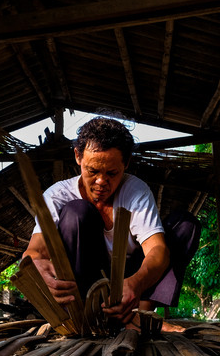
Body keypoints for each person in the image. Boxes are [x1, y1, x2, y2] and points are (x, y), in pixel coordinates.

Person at [22, 117, 201, 330]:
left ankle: (138, 316)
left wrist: (136, 283)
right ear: (78, 156)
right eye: (93, 171)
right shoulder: (56, 196)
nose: (101, 182)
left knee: (185, 226)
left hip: (128, 285)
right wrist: (36, 267)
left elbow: (157, 250)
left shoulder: (136, 191)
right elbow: (34, 252)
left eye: (112, 173)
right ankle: (85, 315)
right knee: (76, 211)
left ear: (126, 163)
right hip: (85, 288)